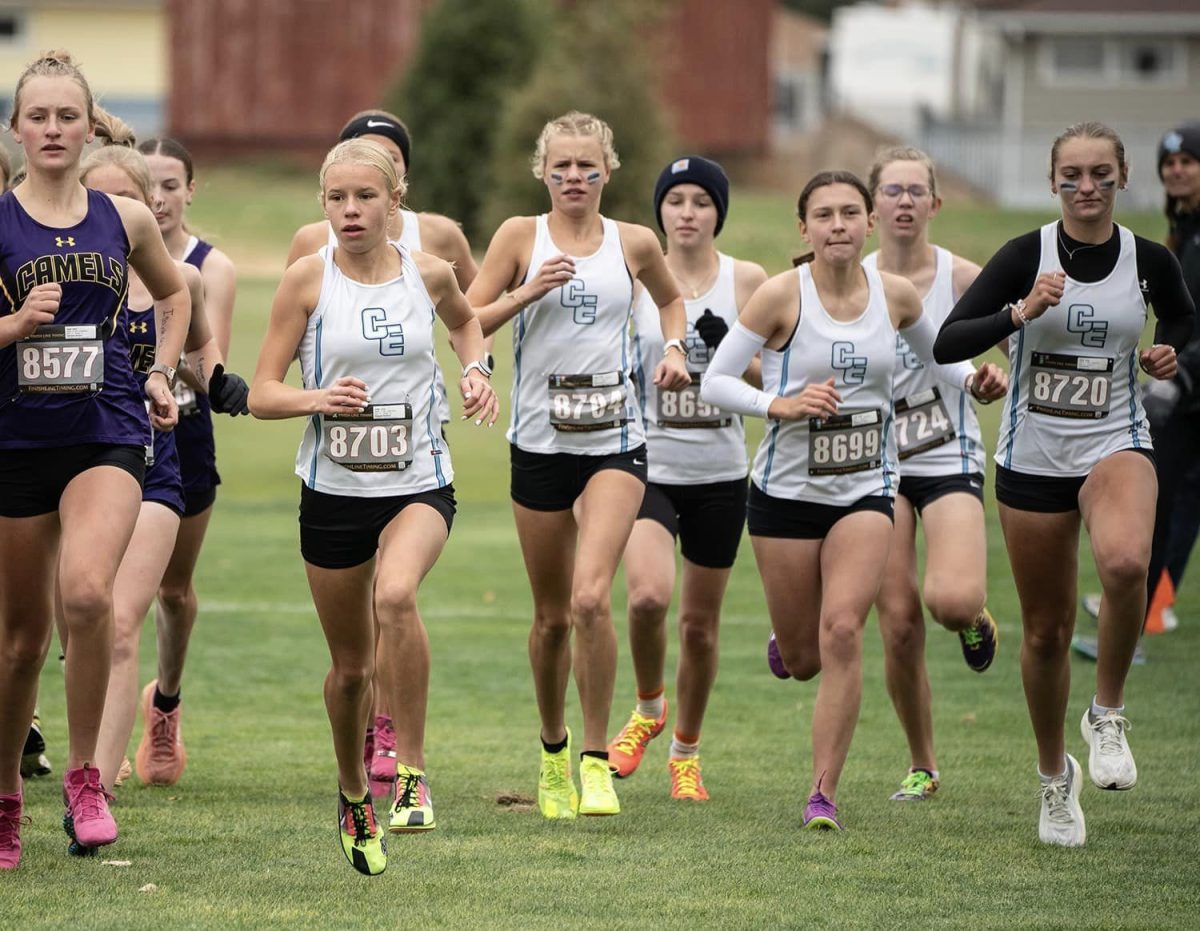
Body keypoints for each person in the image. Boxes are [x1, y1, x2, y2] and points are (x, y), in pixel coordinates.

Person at [700, 170, 1002, 832]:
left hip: (867, 487)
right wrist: (776, 403)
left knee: (843, 630)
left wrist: (974, 379)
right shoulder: (782, 296)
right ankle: (790, 639)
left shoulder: (894, 296)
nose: (837, 225)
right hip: (784, 495)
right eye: (823, 215)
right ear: (802, 228)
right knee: (806, 657)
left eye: (848, 213)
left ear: (868, 224)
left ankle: (821, 792)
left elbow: (942, 360)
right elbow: (716, 381)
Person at [934, 121, 1194, 847]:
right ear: (1054, 181)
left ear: (1121, 179)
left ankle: (1107, 713)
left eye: (1101, 175)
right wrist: (1019, 313)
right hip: (1034, 452)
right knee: (1045, 632)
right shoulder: (1026, 255)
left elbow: (1182, 315)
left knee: (1125, 561)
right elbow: (949, 339)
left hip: (1116, 436)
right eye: (1073, 175)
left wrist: (1168, 351)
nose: (1087, 187)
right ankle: (1056, 778)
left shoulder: (1145, 258)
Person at [249, 138, 497, 875]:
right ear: (323, 205)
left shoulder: (429, 271)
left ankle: (413, 771)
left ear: (395, 202)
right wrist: (316, 397)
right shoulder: (306, 281)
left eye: (366, 197)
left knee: (397, 594)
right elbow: (261, 392)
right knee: (351, 670)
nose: (351, 211)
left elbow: (467, 320)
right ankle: (354, 790)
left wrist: (477, 370)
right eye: (337, 199)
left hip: (418, 478)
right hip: (332, 490)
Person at [467, 111, 690, 819]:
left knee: (592, 597)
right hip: (539, 443)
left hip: (615, 440)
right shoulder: (516, 237)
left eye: (587, 167)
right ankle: (553, 750)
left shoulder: (635, 241)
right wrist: (527, 291)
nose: (574, 177)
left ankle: (597, 760)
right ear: (543, 171)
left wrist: (676, 348)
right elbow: (465, 319)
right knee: (551, 617)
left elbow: (672, 300)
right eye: (561, 166)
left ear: (608, 171)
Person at [0, 50, 190, 868]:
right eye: (37, 116)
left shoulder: (126, 220)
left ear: (88, 126)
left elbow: (175, 292)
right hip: (15, 439)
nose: (52, 128)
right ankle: (8, 798)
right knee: (18, 642)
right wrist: (13, 327)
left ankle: (85, 780)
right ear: (16, 128)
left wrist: (157, 369)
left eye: (65, 116)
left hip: (106, 429)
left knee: (88, 595)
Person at [79, 142, 249, 800]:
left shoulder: (189, 278)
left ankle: (102, 769)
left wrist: (222, 385)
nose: (123, 208)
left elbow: (205, 360)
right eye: (105, 198)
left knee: (136, 611)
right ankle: (81, 743)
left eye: (133, 195)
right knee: (72, 616)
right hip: (67, 460)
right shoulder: (53, 273)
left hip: (156, 452)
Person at [604, 155, 765, 801]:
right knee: (647, 598)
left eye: (702, 200)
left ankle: (687, 752)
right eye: (677, 201)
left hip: (721, 472)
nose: (689, 212)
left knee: (699, 626)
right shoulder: (637, 279)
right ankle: (647, 707)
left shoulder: (748, 280)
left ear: (718, 211)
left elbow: (781, 382)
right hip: (649, 464)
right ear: (661, 211)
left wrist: (737, 354)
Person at [862, 146, 1001, 803]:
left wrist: (994, 375)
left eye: (918, 191)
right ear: (871, 209)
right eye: (893, 191)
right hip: (875, 462)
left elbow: (1018, 345)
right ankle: (923, 763)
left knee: (947, 600)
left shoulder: (964, 278)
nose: (906, 201)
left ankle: (974, 615)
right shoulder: (845, 277)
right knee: (897, 621)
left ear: (936, 205)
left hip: (947, 450)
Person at [125, 137, 238, 784]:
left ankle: (164, 702)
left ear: (190, 190)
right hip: (106, 436)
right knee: (111, 598)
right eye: (150, 186)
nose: (161, 198)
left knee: (172, 588)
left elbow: (207, 362)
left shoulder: (206, 267)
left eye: (172, 185)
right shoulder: (107, 251)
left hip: (184, 436)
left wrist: (162, 372)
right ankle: (104, 730)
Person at [1083, 122, 1200, 639]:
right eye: (1169, 163)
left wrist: (1181, 374)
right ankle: (1145, 609)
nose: (1176, 170)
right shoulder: (1186, 227)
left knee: (1161, 501)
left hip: (1188, 390)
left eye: (1188, 162)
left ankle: (1134, 617)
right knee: (1173, 500)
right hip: (1187, 391)